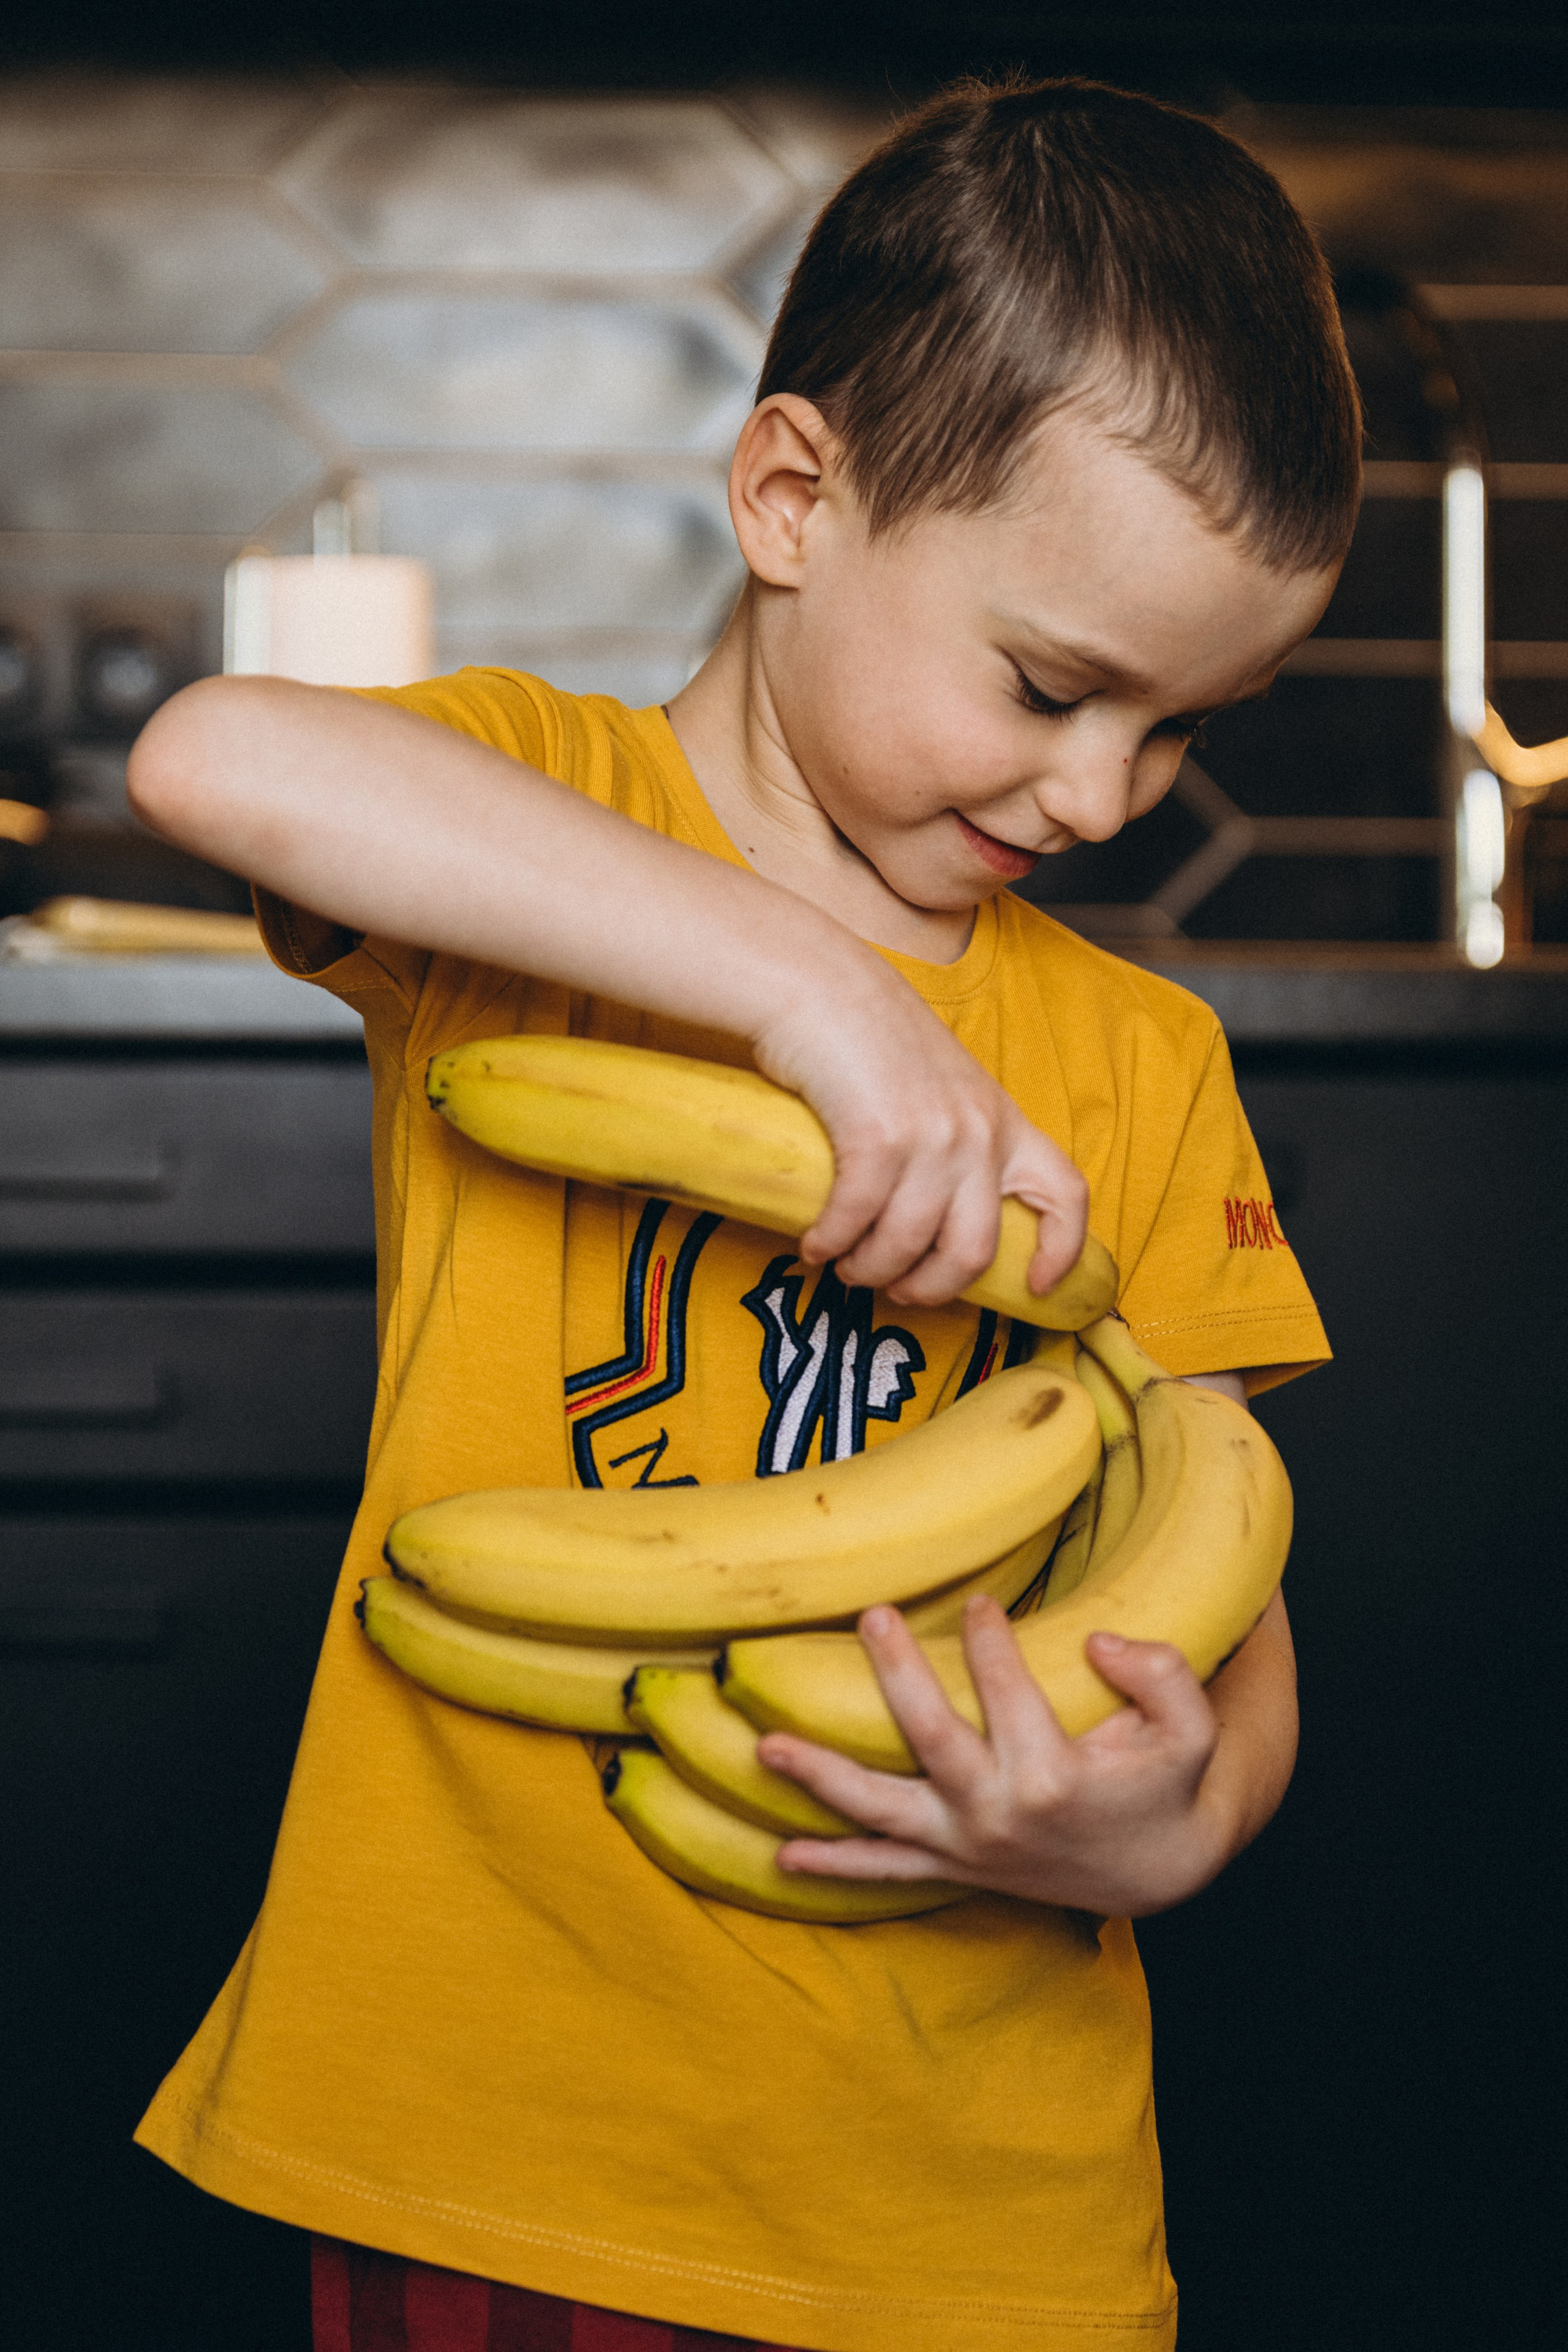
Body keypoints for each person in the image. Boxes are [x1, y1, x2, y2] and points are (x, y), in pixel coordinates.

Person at [129, 77, 1356, 2352]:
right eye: (1050, 686)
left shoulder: (1148, 1062)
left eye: (1186, 728)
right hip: (488, 2147)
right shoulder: (548, 822)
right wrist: (812, 990)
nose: (1102, 794)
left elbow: (1226, 1571)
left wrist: (1179, 1824)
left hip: (985, 2213)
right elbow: (217, 759)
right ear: (795, 495)